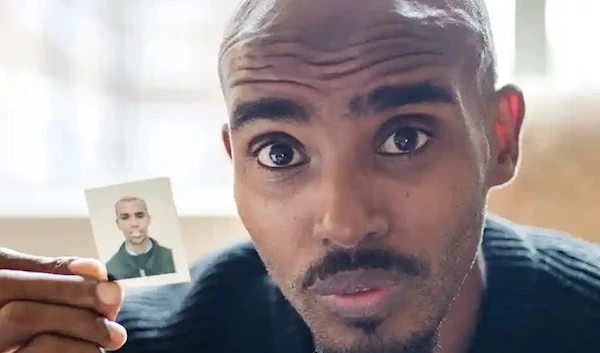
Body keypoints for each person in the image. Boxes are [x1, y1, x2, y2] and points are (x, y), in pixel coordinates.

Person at [0, 0, 599, 352]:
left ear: (499, 137)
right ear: (233, 160)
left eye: (404, 138)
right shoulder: (120, 342)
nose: (343, 224)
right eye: (279, 154)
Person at [106, 197, 176, 280]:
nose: (134, 224)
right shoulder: (111, 269)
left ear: (149, 219)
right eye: (125, 218)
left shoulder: (171, 257)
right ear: (118, 224)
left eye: (140, 216)